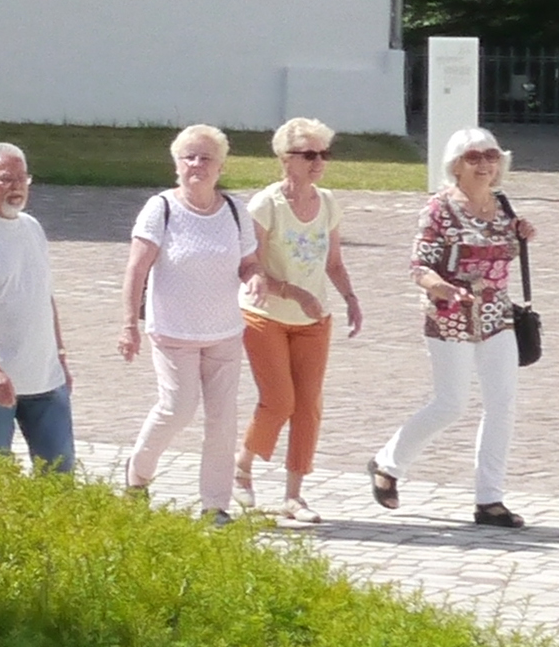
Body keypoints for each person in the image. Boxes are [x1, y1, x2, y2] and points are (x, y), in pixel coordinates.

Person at [371, 127, 529, 528]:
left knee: (502, 405)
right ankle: (388, 463)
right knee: (451, 403)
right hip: (451, 314)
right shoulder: (439, 208)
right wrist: (438, 285)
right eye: (474, 157)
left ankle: (489, 499)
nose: (485, 165)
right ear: (456, 165)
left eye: (492, 156)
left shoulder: (503, 205)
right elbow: (418, 265)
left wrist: (522, 234)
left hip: (497, 315)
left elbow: (506, 249)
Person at [119, 123, 259, 521]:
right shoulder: (161, 209)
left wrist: (256, 277)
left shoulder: (234, 210)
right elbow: (136, 270)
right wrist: (129, 324)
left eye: (206, 158)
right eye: (189, 157)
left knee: (222, 419)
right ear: (176, 164)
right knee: (177, 408)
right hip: (172, 332)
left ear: (220, 167)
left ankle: (215, 506)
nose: (197, 164)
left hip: (225, 332)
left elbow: (249, 262)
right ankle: (137, 477)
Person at [238, 115, 367, 524]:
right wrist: (291, 292)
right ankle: (241, 467)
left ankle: (294, 495)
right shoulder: (266, 205)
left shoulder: (328, 203)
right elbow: (250, 265)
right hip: (265, 315)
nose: (318, 162)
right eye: (309, 154)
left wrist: (350, 297)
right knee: (279, 401)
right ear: (284, 157)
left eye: (323, 154)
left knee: (307, 406)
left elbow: (333, 262)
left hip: (315, 319)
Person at [0, 141, 76, 474]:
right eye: (6, 179)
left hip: (45, 378)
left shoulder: (32, 228)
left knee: (59, 475)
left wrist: (61, 357)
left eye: (23, 179)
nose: (17, 187)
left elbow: (44, 297)